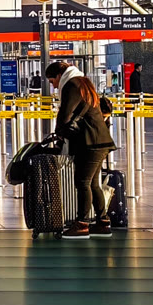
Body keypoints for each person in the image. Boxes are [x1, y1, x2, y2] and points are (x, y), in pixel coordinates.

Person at [57, 72, 117, 237]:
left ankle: (82, 224)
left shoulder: (72, 86)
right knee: (93, 184)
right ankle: (102, 222)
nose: (54, 85)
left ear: (59, 76)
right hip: (100, 142)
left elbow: (65, 114)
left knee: (83, 182)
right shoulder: (86, 87)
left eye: (52, 80)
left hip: (91, 143)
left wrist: (60, 131)